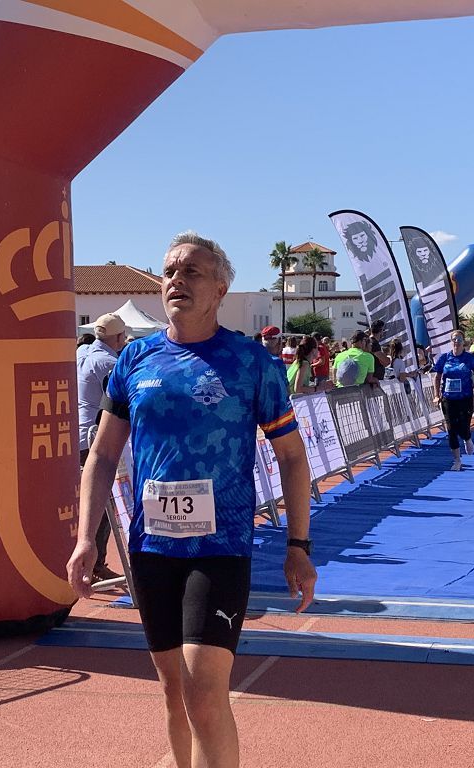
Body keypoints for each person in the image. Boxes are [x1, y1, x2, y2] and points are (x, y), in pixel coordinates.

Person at [68, 231, 316, 768]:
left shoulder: (251, 363)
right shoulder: (135, 359)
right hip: (152, 549)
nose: (176, 280)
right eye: (170, 272)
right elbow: (104, 455)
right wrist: (86, 537)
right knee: (175, 693)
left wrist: (299, 543)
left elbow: (294, 457)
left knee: (204, 693)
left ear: (221, 288)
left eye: (192, 272)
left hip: (221, 547)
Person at [76, 312, 128, 584]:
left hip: (75, 435)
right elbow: (117, 402)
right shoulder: (110, 363)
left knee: (82, 502)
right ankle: (96, 563)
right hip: (94, 438)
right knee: (103, 502)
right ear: (119, 338)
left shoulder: (82, 352)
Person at [432, 331, 474, 471]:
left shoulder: (469, 358)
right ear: (451, 341)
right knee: (451, 429)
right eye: (454, 339)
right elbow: (437, 376)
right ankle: (457, 460)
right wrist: (436, 394)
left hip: (465, 398)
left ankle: (468, 437)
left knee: (464, 427)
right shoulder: (445, 358)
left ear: (463, 341)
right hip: (448, 398)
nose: (456, 341)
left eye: (459, 339)